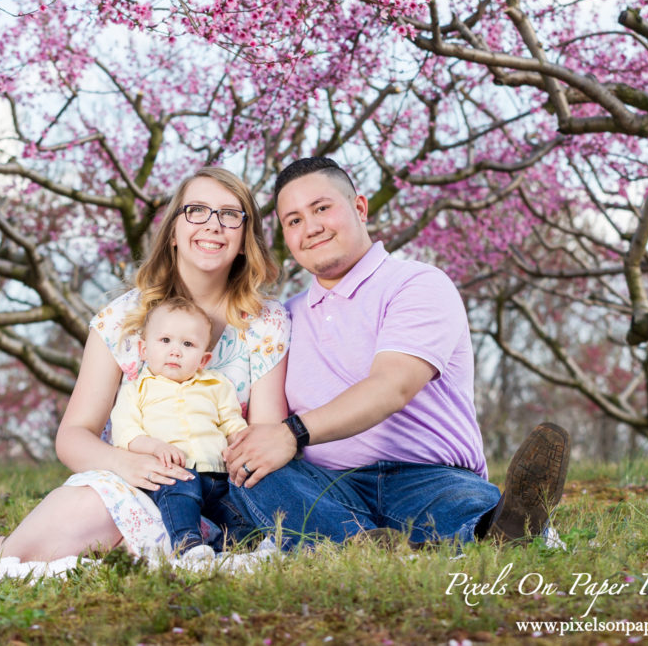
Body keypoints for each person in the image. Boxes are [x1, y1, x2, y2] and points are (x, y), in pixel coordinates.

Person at [225, 157, 570, 549]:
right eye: (294, 220)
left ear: (359, 207)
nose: (312, 227)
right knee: (253, 473)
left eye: (322, 208)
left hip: (425, 476)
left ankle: (503, 528)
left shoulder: (416, 284)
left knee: (461, 505)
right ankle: (361, 545)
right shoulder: (283, 318)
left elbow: (392, 385)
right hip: (326, 483)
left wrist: (293, 433)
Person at [0, 168, 290, 561]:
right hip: (139, 483)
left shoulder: (265, 321)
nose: (213, 226)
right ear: (173, 231)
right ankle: (8, 554)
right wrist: (125, 464)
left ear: (245, 237)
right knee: (86, 506)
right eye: (197, 210)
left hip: (225, 493)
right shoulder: (121, 318)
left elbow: (264, 436)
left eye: (230, 214)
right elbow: (74, 434)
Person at [111, 297, 253, 556]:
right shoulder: (136, 390)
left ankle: (237, 548)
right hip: (172, 474)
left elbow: (233, 424)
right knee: (180, 495)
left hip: (217, 474)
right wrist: (155, 447)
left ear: (203, 359)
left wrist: (240, 444)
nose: (175, 351)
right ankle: (189, 545)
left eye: (188, 344)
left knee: (238, 510)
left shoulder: (217, 386)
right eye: (165, 341)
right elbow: (126, 433)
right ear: (143, 349)